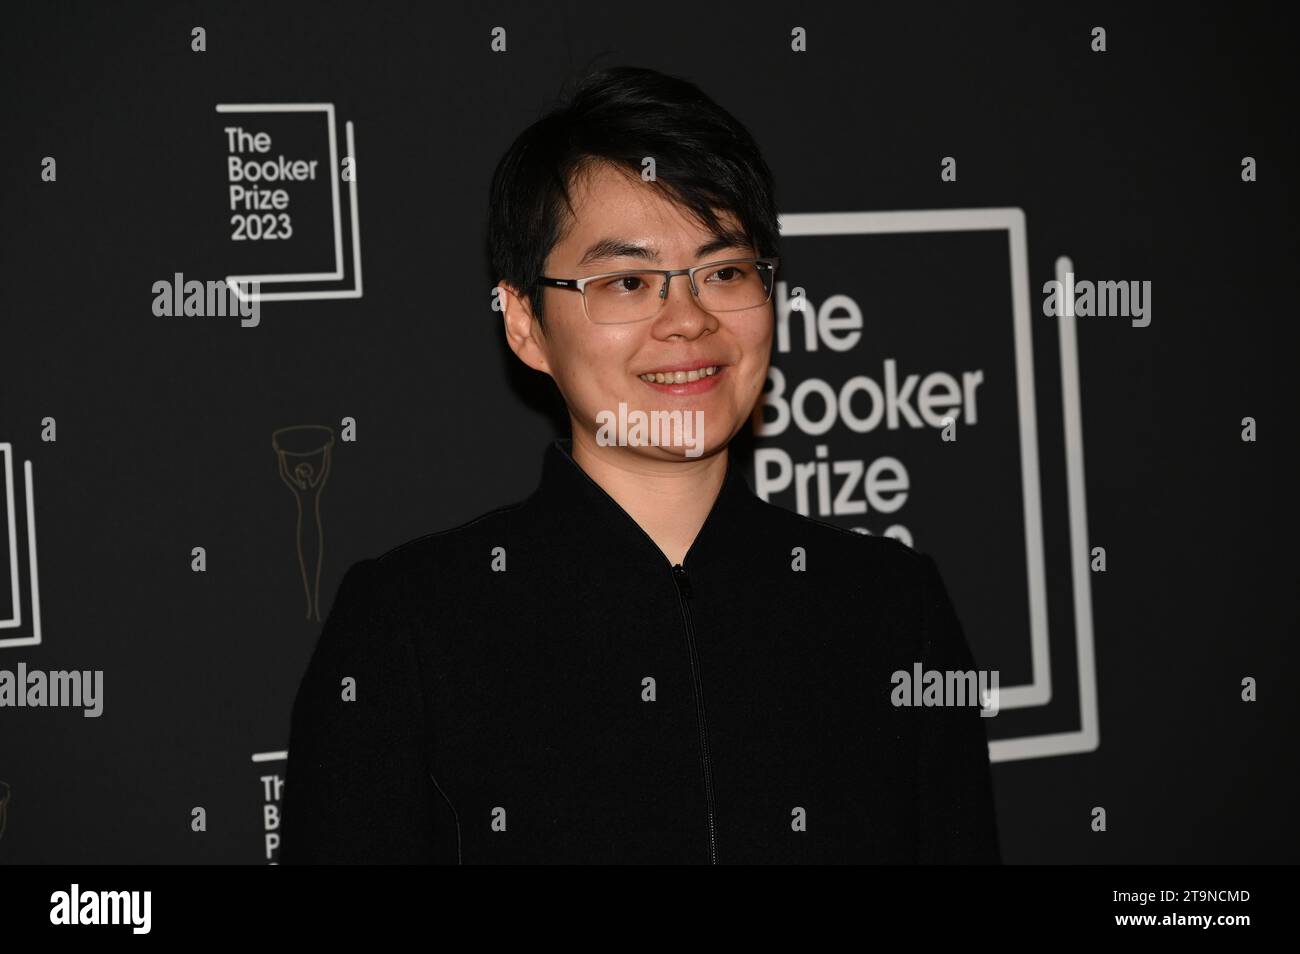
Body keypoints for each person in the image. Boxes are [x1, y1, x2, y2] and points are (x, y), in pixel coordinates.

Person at [281, 65, 1000, 864]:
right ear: (524, 322)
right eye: (627, 281)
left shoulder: (895, 609)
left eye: (724, 272)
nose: (687, 321)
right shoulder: (409, 628)